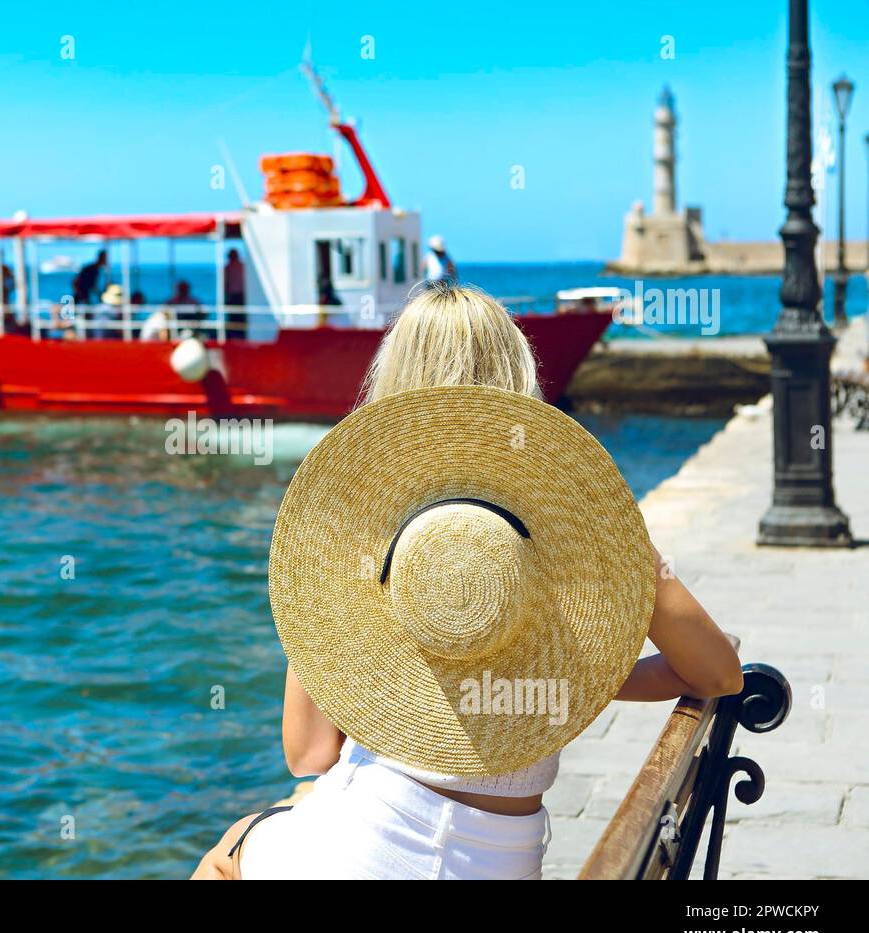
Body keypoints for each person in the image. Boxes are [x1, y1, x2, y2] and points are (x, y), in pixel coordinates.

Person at [192, 283, 742, 880]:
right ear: (520, 371)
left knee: (233, 850)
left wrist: (320, 586)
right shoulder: (576, 530)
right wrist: (557, 672)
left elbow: (308, 755)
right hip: (502, 859)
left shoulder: (372, 529)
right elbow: (716, 673)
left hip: (372, 842)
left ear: (394, 378)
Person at [223, 249, 246, 334]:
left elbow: (225, 284)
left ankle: (236, 334)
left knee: (235, 318)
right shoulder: (243, 266)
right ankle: (239, 334)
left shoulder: (228, 268)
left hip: (235, 296)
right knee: (239, 318)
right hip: (239, 296)